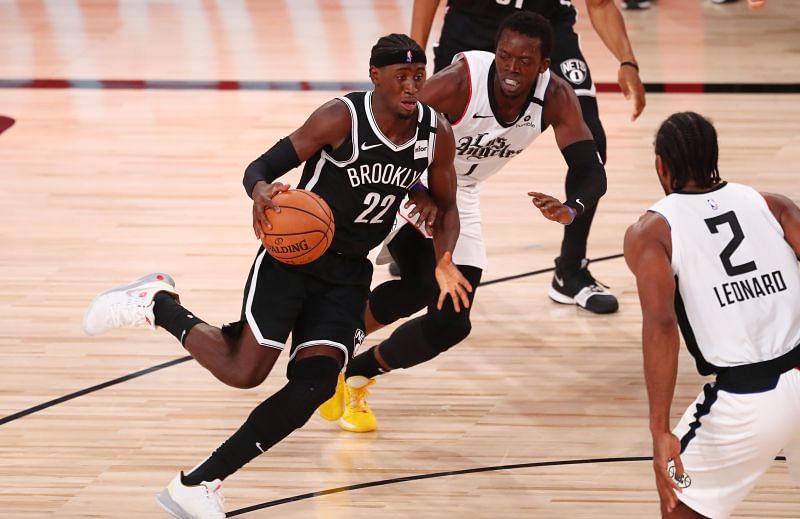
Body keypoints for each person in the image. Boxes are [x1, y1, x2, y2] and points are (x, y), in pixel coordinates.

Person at [82, 34, 472, 519]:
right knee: (245, 372)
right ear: (376, 76)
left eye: (419, 76)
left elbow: (448, 203)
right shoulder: (341, 118)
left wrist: (443, 256)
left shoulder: (436, 133)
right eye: (401, 77)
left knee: (315, 383)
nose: (413, 86)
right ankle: (157, 304)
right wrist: (261, 190)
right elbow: (262, 165)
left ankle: (199, 484)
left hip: (349, 273)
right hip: (292, 259)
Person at [317, 12, 608, 434]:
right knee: (419, 284)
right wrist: (416, 191)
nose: (510, 68)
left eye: (524, 62)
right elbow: (385, 124)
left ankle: (355, 371)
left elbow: (590, 168)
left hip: (460, 193)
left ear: (544, 65)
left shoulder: (557, 97)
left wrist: (573, 207)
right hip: (407, 177)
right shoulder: (459, 84)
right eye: (504, 56)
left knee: (452, 321)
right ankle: (325, 348)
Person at [408, 0, 646, 313]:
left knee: (591, 146)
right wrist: (414, 59)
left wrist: (627, 62)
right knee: (432, 135)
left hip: (547, 30)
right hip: (473, 25)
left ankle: (570, 270)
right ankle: (414, 234)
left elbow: (600, 4)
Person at [624, 111, 800, 518]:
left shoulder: (651, 232)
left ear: (660, 166)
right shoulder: (771, 204)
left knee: (679, 505)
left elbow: (662, 326)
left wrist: (659, 430)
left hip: (749, 399)